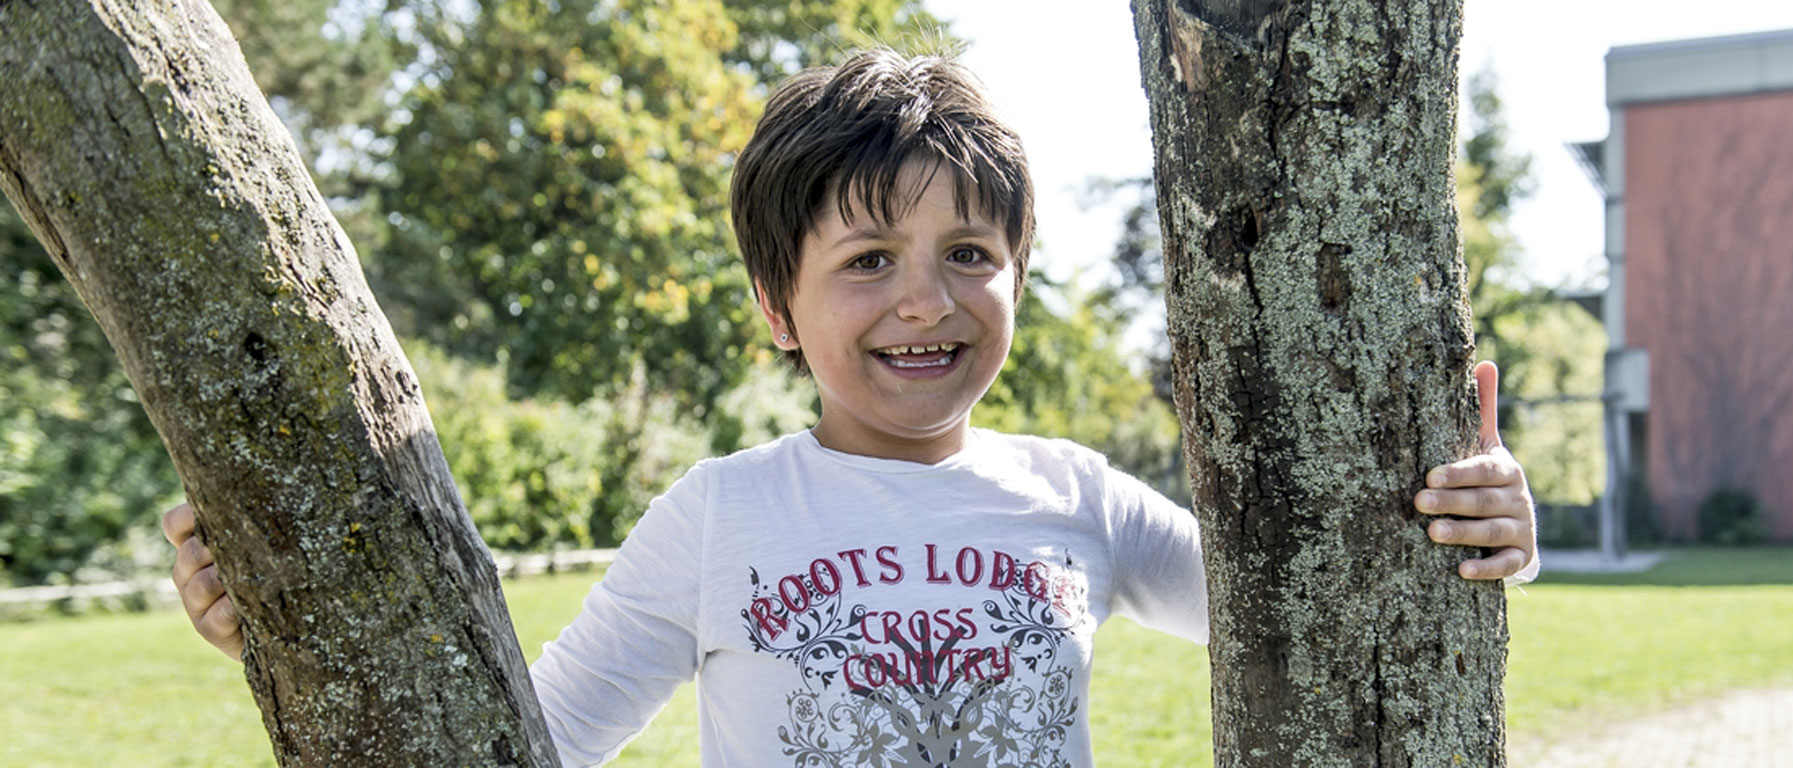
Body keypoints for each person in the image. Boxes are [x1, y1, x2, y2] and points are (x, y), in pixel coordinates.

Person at [163, 48, 1539, 767]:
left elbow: (1314, 602)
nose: (925, 304)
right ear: (776, 306)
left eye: (969, 258)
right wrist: (290, 621)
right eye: (866, 262)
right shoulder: (721, 517)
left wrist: (1489, 525)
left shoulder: (1079, 497)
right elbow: (525, 741)